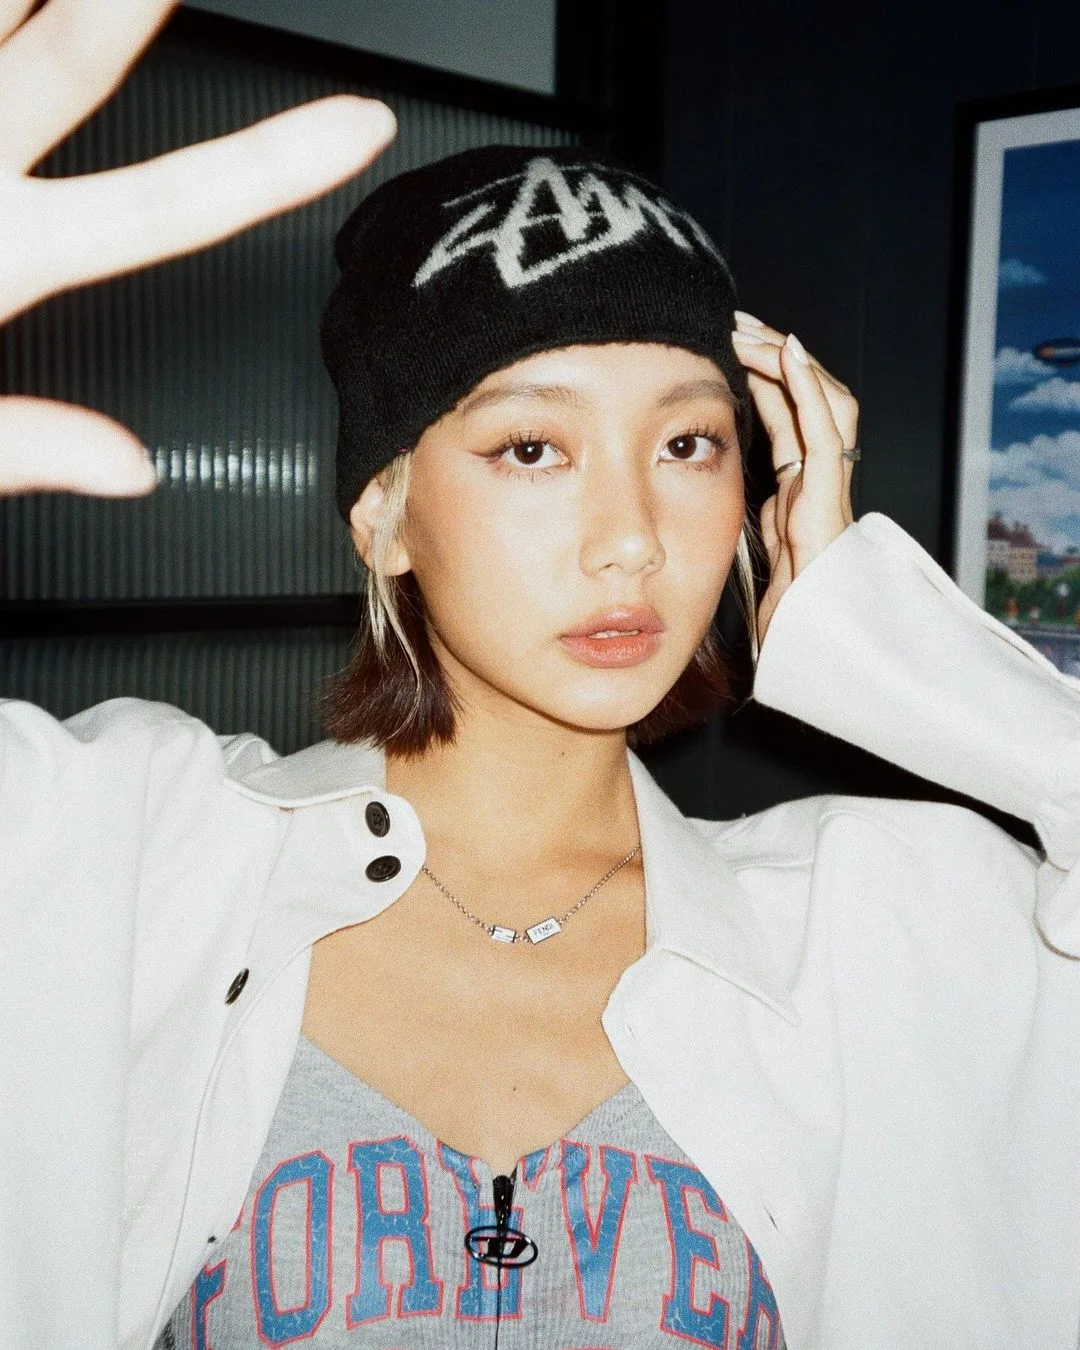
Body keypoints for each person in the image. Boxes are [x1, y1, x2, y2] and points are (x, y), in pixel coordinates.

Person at [2, 4, 1079, 1350]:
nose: (632, 536)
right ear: (384, 513)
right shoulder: (123, 856)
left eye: (688, 445)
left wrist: (883, 639)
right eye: (531, 448)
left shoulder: (883, 927)